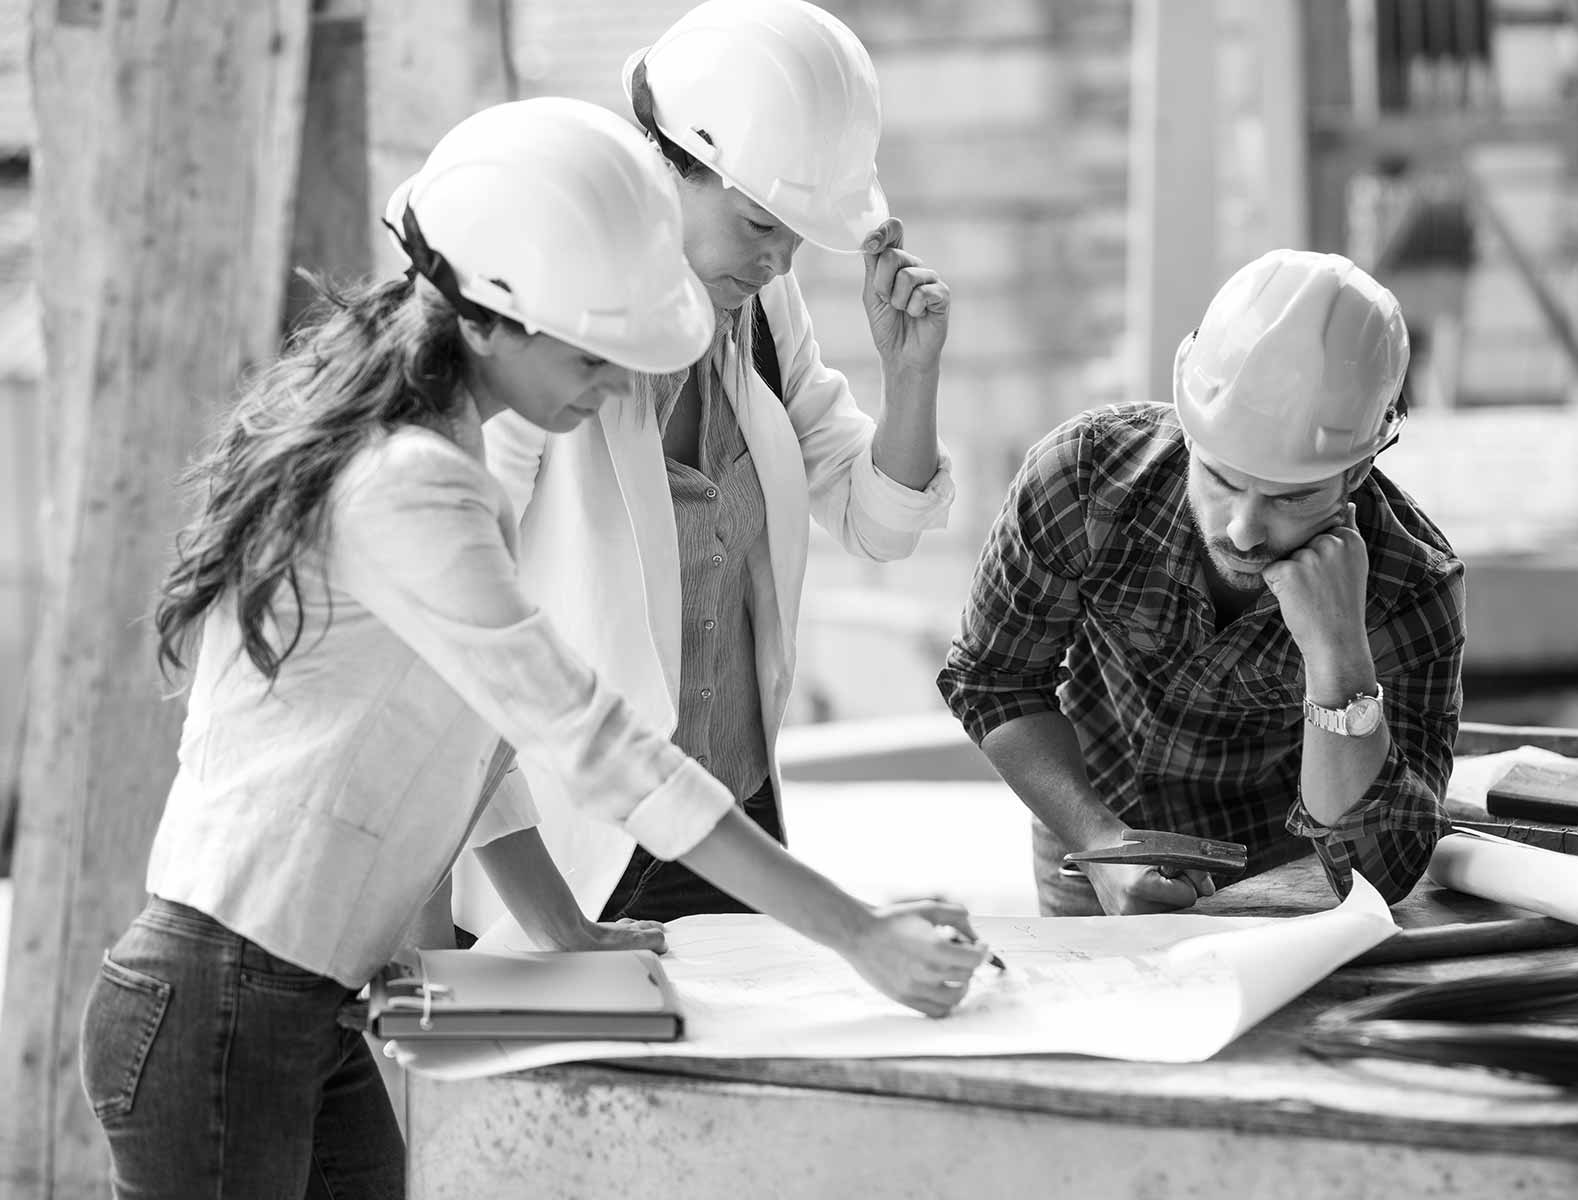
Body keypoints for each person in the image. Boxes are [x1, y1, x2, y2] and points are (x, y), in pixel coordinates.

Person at [79, 98, 986, 1200]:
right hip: (221, 1002)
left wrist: (561, 931)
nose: (613, 387)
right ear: (486, 321)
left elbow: (493, 739)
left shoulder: (449, 459)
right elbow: (584, 736)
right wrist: (862, 936)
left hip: (292, 999)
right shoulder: (410, 489)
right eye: (595, 354)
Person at [453, 0, 956, 938]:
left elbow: (878, 526)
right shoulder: (541, 344)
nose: (779, 261)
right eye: (761, 225)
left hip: (737, 830)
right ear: (669, 171)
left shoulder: (762, 312)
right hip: (579, 863)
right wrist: (558, 931)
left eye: (798, 237)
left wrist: (911, 374)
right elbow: (466, 661)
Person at [938, 249, 1464, 917]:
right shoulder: (1085, 478)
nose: (1244, 530)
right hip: (1090, 831)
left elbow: (1379, 869)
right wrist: (1101, 844)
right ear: (1190, 429)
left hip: (1291, 877)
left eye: (1291, 498)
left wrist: (1338, 659)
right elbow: (993, 677)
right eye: (1221, 480)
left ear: (1355, 474)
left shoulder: (1413, 583)